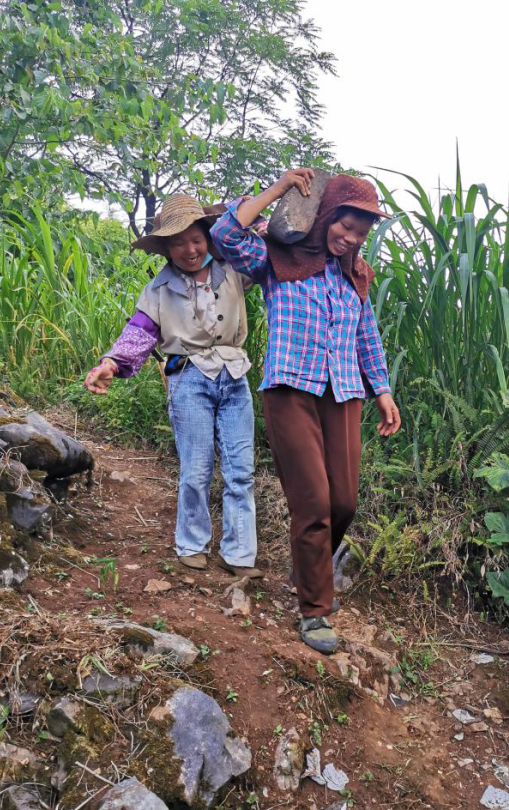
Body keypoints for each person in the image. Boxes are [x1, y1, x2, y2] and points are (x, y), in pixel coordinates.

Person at [210, 168, 401, 655]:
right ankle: (315, 608)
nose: (351, 238)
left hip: (343, 394)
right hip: (291, 389)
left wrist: (382, 390)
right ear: (327, 215)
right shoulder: (279, 259)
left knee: (345, 504)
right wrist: (278, 189)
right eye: (346, 225)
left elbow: (366, 334)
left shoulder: (354, 275)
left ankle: (307, 565)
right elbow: (225, 233)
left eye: (361, 232)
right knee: (313, 504)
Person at [84, 193, 262, 578]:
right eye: (178, 242)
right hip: (188, 378)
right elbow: (140, 332)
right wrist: (110, 363)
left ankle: (240, 554)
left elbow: (261, 246)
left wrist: (255, 207)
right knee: (196, 468)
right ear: (165, 247)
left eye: (196, 239)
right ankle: (192, 545)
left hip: (234, 375)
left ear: (208, 237)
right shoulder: (159, 290)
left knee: (240, 469)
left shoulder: (232, 270)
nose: (190, 249)